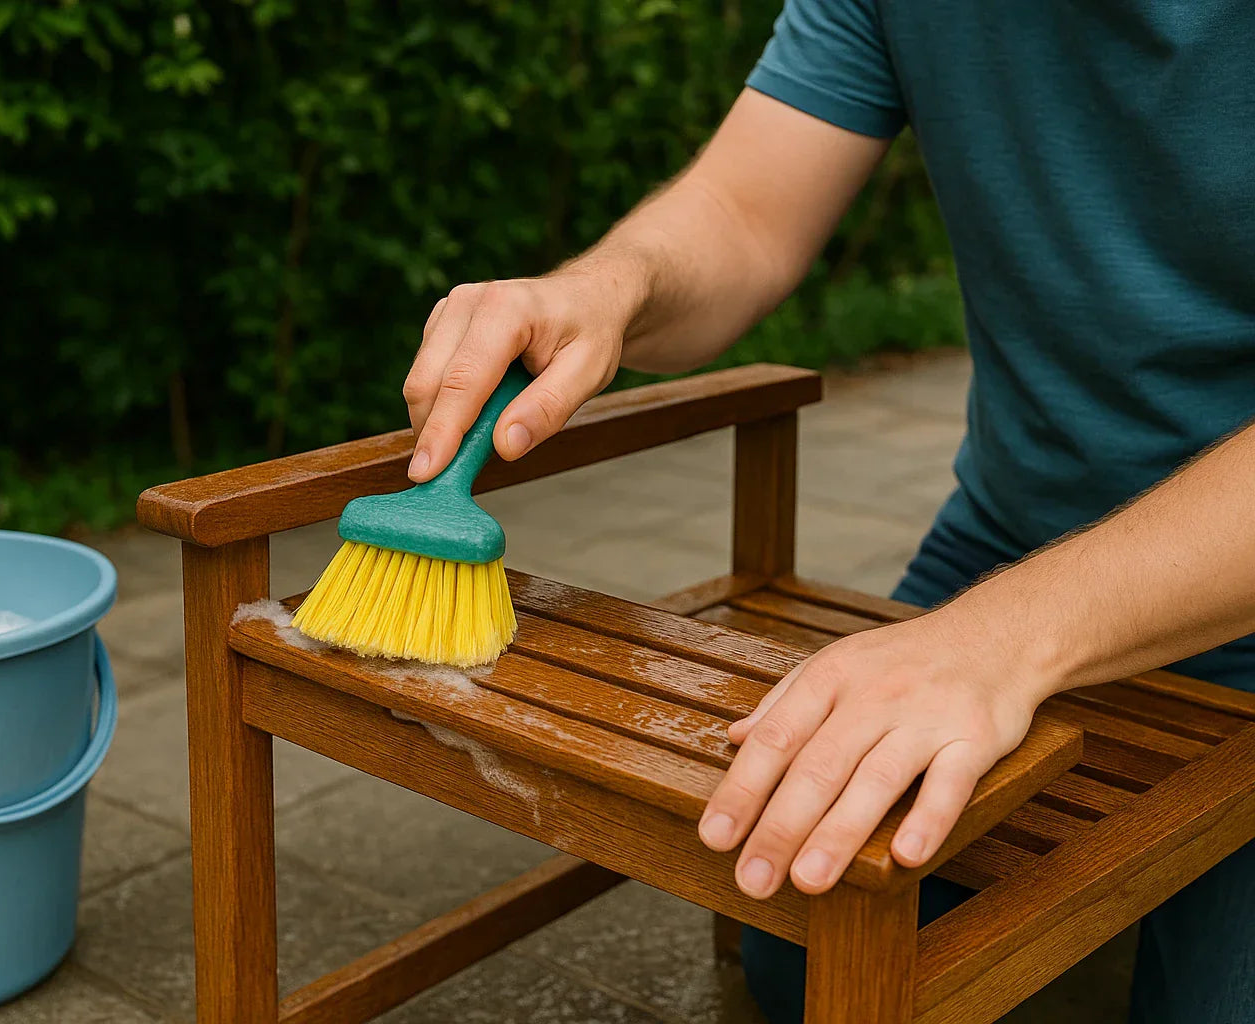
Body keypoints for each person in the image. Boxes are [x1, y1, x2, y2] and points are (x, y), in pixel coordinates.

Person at [399, 2, 1255, 1021]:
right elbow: (745, 210)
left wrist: (1007, 638)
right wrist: (607, 286)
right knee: (812, 958)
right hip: (1007, 537)